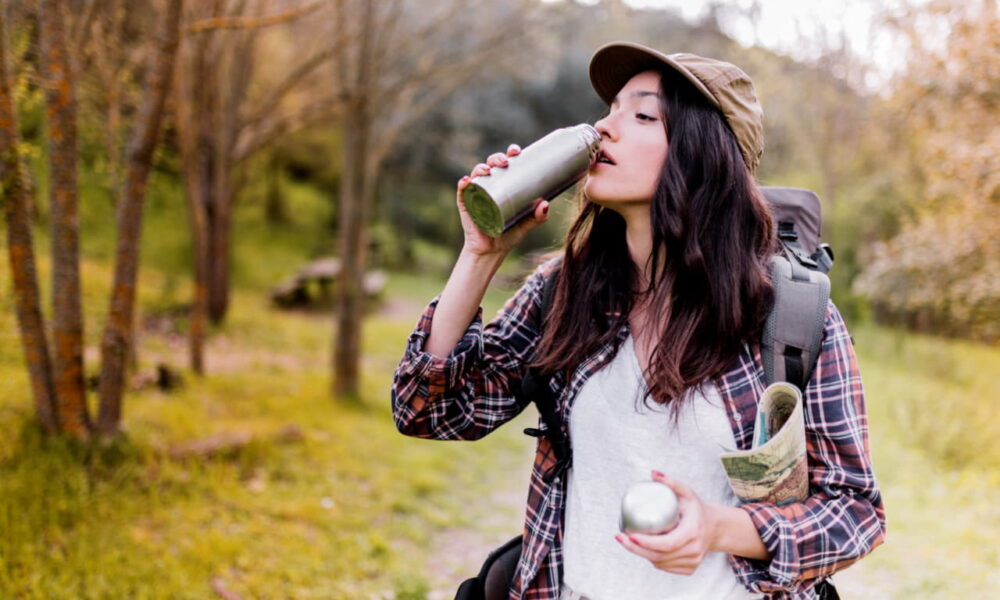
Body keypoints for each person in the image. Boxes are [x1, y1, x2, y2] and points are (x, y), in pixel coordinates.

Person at [391, 41, 885, 600]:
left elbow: (855, 513)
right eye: (612, 109)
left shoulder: (787, 316)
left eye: (643, 114)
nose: (605, 128)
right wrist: (480, 255)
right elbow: (428, 409)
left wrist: (722, 528)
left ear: (702, 155)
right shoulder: (566, 293)